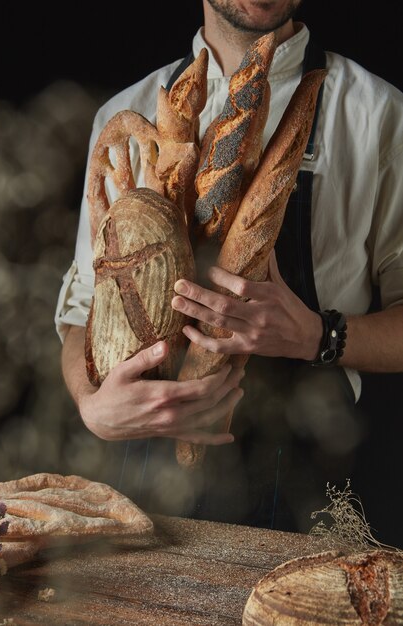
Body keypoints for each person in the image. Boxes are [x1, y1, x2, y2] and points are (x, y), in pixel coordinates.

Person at [55, 0, 403, 535]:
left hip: (310, 489)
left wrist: (317, 334)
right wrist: (91, 406)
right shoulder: (124, 115)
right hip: (142, 490)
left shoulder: (378, 115)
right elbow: (83, 314)